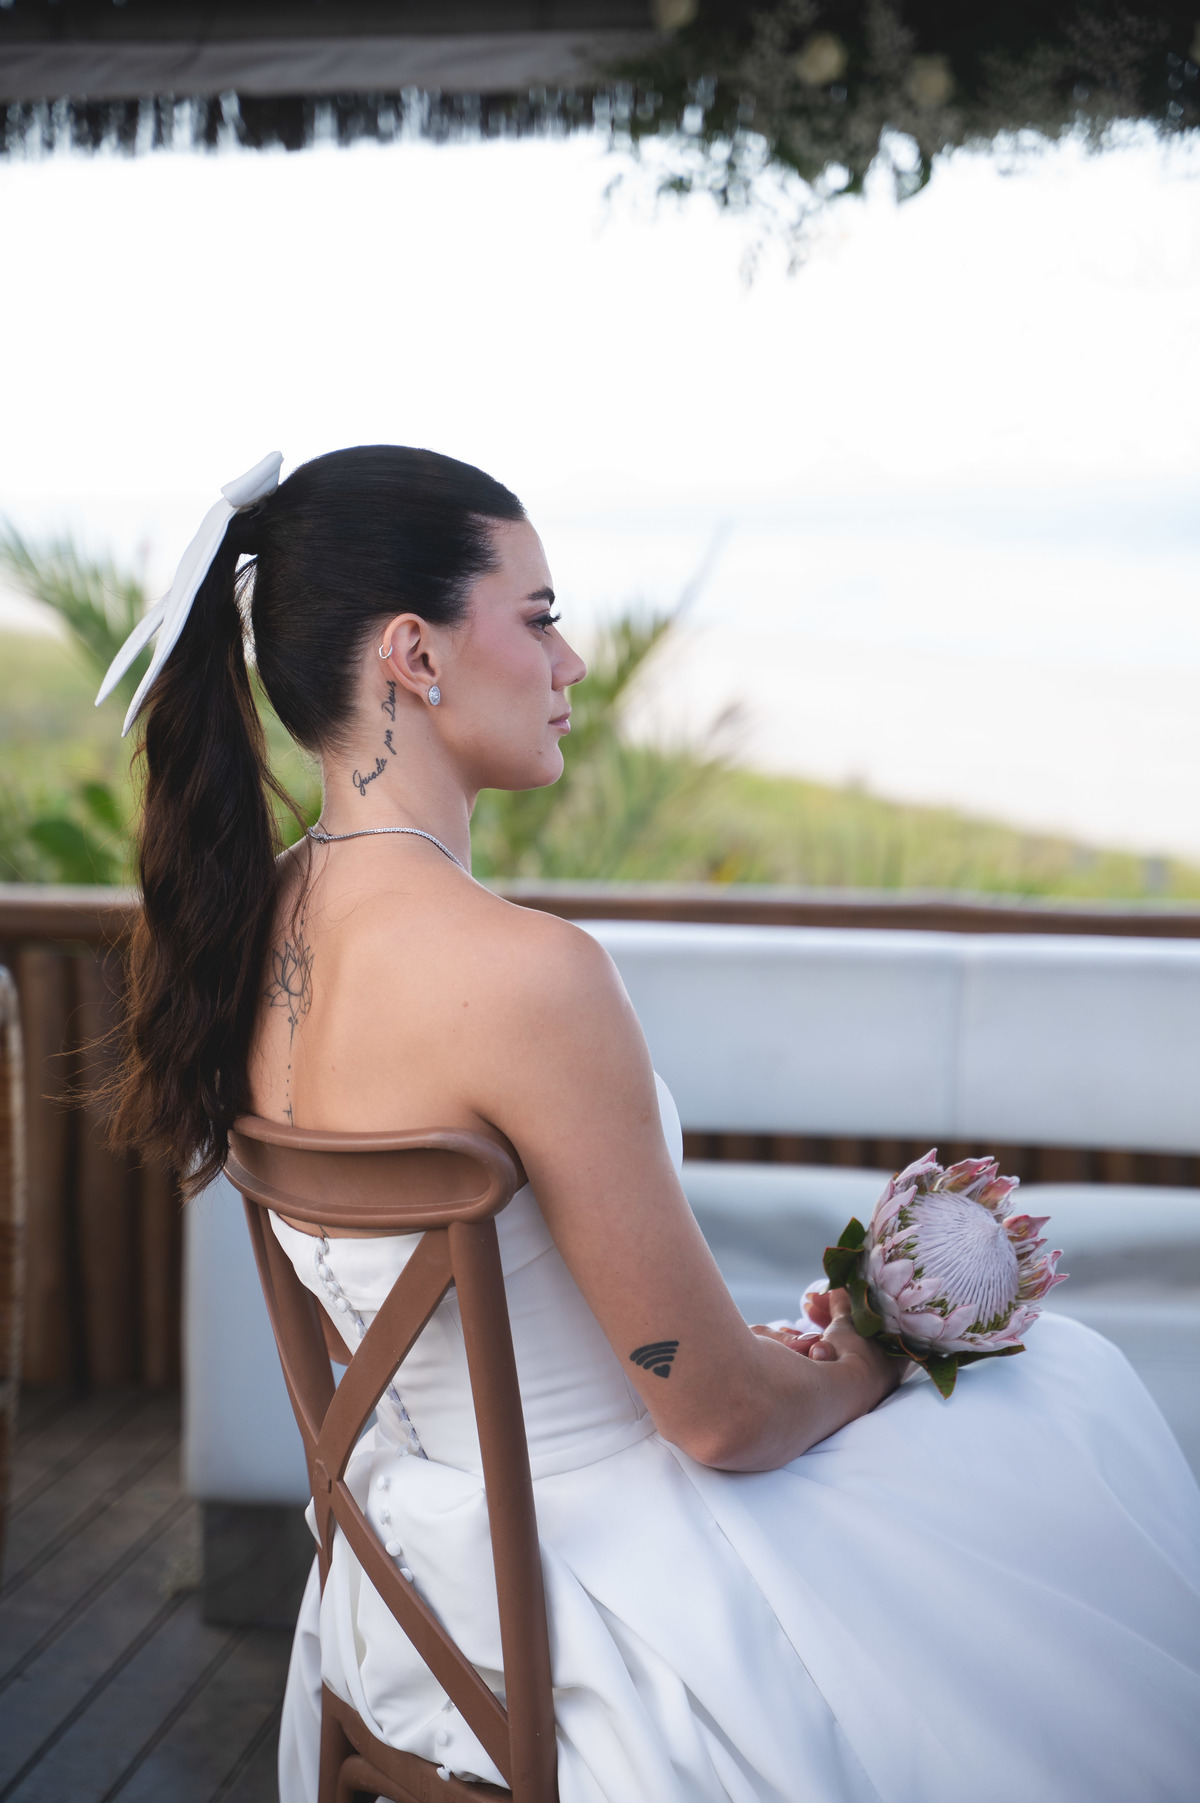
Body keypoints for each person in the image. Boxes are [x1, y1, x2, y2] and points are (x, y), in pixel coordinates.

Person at [104, 446, 1200, 1803]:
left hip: (402, 1594)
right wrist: (873, 1352)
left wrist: (755, 1359)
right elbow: (719, 1423)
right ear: (415, 655)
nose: (570, 664)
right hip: (595, 1607)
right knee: (1065, 1389)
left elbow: (461, 1334)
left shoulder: (242, 931)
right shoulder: (532, 975)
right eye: (540, 618)